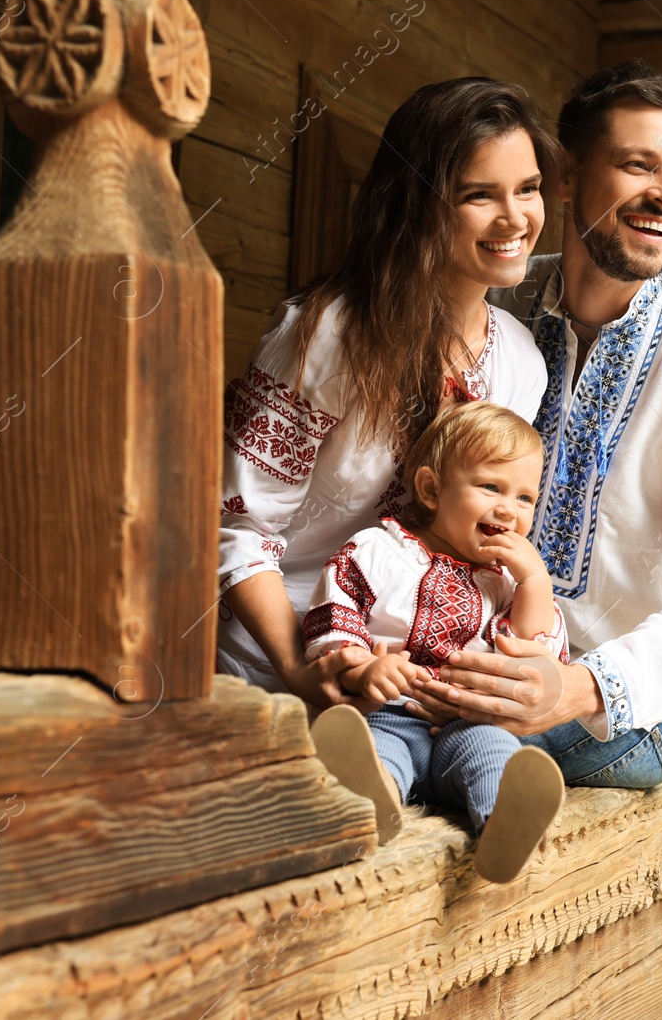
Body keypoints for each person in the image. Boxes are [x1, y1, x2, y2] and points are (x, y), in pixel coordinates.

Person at [404, 60, 662, 789]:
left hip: (620, 710)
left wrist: (570, 689)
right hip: (459, 651)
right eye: (639, 165)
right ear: (565, 176)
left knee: (434, 742)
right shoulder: (497, 306)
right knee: (371, 701)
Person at [217, 78, 558, 715]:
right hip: (283, 669)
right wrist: (301, 668)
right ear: (418, 205)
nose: (515, 219)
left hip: (426, 688)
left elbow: (483, 539)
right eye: (478, 195)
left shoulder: (522, 365)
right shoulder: (324, 335)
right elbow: (239, 527)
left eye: (529, 188)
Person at [306, 402, 565, 881]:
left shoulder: (506, 585)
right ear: (431, 489)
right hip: (388, 714)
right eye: (491, 487)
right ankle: (367, 808)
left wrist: (536, 583)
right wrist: (365, 668)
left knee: (494, 754)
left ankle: (504, 828)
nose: (509, 508)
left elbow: (533, 654)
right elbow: (335, 619)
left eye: (526, 498)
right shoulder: (380, 551)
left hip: (468, 726)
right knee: (375, 752)